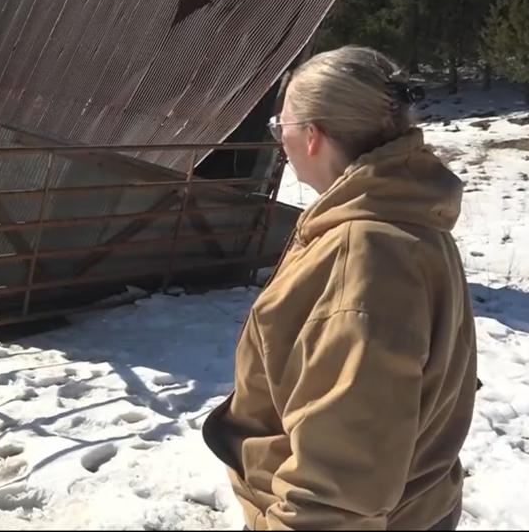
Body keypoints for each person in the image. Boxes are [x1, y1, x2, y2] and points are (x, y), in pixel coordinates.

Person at [201, 45, 478, 531]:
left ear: (312, 136)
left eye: (279, 128)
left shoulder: (365, 255)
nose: (279, 142)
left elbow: (338, 486)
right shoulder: (404, 216)